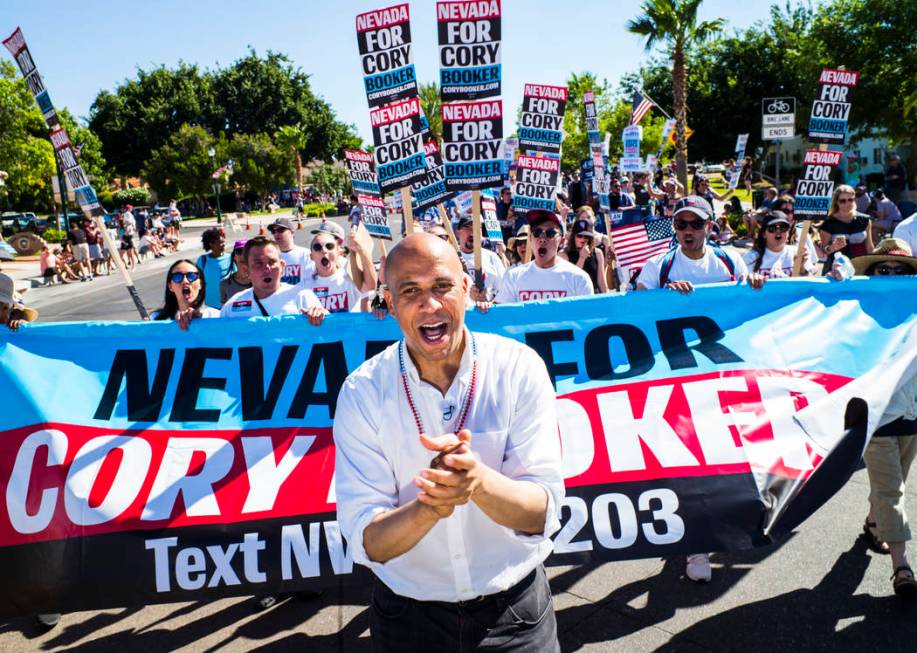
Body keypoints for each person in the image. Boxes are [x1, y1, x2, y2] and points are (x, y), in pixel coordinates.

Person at [333, 232, 565, 652]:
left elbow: (543, 511)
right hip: (408, 619)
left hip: (515, 614)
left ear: (465, 288)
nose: (430, 304)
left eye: (441, 286)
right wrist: (429, 507)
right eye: (410, 291)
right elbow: (366, 539)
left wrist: (478, 483)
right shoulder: (363, 391)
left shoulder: (519, 369)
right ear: (388, 300)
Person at [849, 238, 917, 598]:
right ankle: (902, 566)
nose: (891, 276)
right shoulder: (858, 312)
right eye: (883, 270)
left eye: (900, 271)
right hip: (878, 415)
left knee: (891, 485)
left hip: (913, 413)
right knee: (892, 490)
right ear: (872, 274)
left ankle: (874, 523)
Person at [636, 196, 765, 297]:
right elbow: (638, 308)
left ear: (709, 226)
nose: (688, 231)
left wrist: (755, 282)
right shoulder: (655, 266)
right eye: (681, 224)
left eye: (696, 224)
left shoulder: (732, 260)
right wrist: (665, 295)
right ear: (674, 226)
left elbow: (749, 300)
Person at [220, 236, 326, 325]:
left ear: (282, 266)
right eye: (258, 263)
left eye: (272, 262)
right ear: (247, 270)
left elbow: (331, 332)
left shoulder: (302, 297)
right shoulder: (232, 307)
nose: (267, 268)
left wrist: (320, 316)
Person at [494, 209, 593, 304]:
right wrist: (485, 306)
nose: (542, 239)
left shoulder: (579, 279)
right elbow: (502, 315)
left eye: (550, 233)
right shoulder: (513, 276)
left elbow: (588, 318)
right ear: (530, 239)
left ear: (561, 241)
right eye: (537, 233)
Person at [300, 230, 376, 313]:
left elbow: (370, 286)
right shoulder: (305, 286)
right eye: (317, 248)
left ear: (338, 253)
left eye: (329, 246)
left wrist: (361, 250)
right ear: (311, 256)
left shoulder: (350, 276)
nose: (324, 250)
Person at [742, 210, 817, 277]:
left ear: (788, 232)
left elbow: (811, 285)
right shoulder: (750, 257)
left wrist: (802, 269)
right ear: (764, 234)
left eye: (783, 227)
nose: (778, 231)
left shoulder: (799, 253)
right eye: (772, 228)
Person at [817, 184, 875, 272]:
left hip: (861, 266)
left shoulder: (865, 220)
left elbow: (869, 247)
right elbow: (823, 252)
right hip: (836, 269)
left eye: (850, 200)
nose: (847, 203)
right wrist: (833, 247)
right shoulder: (829, 222)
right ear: (836, 202)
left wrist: (873, 265)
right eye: (842, 201)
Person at [151, 260, 220, 328]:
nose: (185, 281)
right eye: (177, 277)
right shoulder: (155, 319)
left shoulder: (216, 316)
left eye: (192, 276)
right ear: (170, 286)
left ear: (201, 284)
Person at [454, 215, 505, 301]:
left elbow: (504, 290)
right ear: (458, 233)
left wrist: (490, 304)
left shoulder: (492, 257)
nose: (473, 232)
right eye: (468, 228)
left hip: (486, 312)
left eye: (478, 228)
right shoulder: (450, 258)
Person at [559, 215, 608, 293]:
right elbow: (570, 280)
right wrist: (582, 258)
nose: (583, 239)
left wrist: (607, 299)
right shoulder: (563, 254)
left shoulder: (597, 253)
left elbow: (601, 280)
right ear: (573, 236)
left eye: (586, 236)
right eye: (579, 236)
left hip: (594, 295)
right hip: (575, 296)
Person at [268, 217, 312, 286]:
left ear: (292, 232)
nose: (276, 233)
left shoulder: (306, 254)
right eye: (273, 231)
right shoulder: (270, 257)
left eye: (281, 230)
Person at [196, 227, 232, 309]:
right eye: (220, 242)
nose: (224, 244)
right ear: (211, 244)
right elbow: (196, 282)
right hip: (210, 306)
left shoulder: (231, 258)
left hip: (229, 304)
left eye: (224, 242)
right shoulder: (202, 261)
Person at [220, 239, 252, 305]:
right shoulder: (225, 283)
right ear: (234, 256)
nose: (243, 255)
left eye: (246, 252)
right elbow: (223, 311)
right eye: (239, 251)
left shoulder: (259, 281)